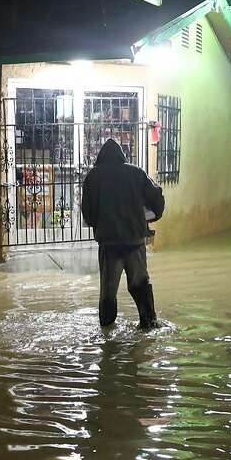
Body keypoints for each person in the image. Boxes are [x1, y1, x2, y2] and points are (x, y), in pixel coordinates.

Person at [81, 138, 164, 329]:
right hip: (135, 243)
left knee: (108, 293)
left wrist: (100, 223)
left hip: (109, 247)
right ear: (122, 156)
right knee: (141, 285)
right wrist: (150, 216)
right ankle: (149, 324)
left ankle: (107, 338)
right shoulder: (136, 173)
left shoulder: (93, 177)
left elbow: (88, 213)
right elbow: (157, 197)